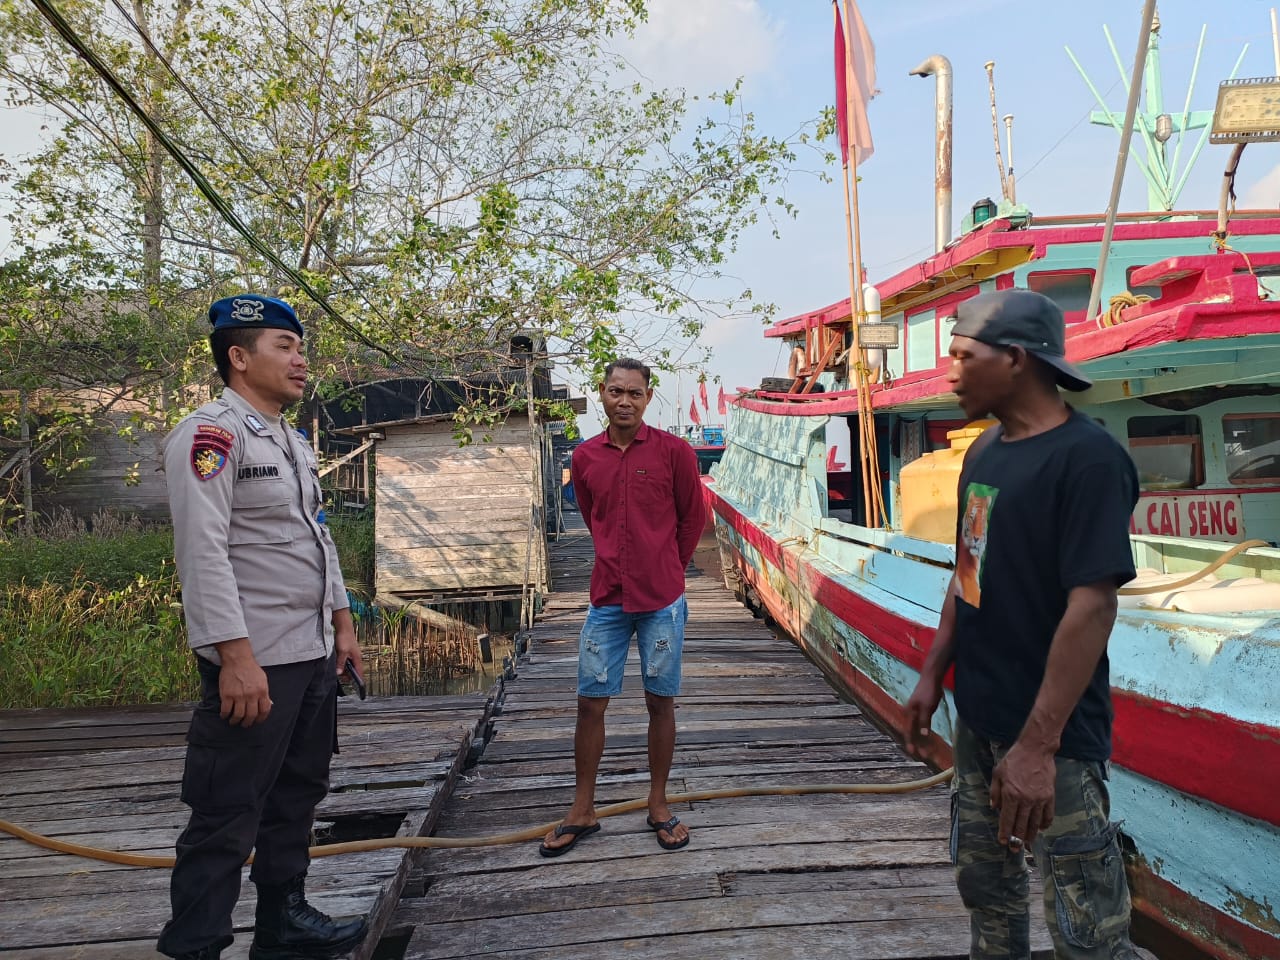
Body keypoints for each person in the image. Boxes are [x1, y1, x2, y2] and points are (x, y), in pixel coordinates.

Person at [903, 289, 1142, 960]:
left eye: (962, 356)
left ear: (1014, 359)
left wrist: (1037, 748)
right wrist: (931, 676)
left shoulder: (1089, 460)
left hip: (1055, 741)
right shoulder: (983, 456)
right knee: (988, 893)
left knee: (1084, 927)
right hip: (979, 721)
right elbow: (967, 572)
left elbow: (1093, 606)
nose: (950, 372)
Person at [156, 294, 368, 960]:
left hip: (311, 653)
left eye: (300, 346)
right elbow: (203, 552)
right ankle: (197, 945)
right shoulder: (209, 437)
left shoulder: (290, 439)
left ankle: (284, 922)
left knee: (298, 795)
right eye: (284, 345)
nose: (300, 358)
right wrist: (234, 658)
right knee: (226, 814)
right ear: (239, 357)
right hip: (257, 659)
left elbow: (317, 540)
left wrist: (343, 625)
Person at [540, 358, 705, 856]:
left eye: (635, 393)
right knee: (590, 702)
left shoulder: (676, 452)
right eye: (616, 392)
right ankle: (583, 809)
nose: (625, 401)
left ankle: (657, 803)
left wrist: (666, 568)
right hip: (607, 597)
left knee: (661, 700)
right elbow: (594, 517)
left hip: (662, 601)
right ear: (602, 394)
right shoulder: (586, 458)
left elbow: (692, 519)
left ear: (648, 397)